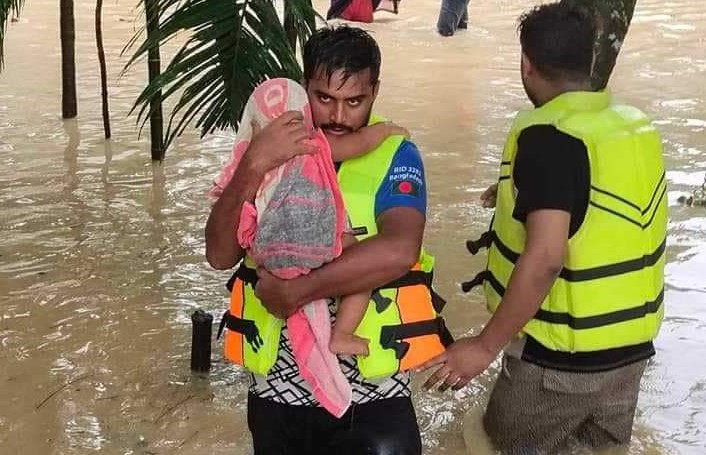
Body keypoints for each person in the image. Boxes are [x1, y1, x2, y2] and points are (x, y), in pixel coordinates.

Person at [419, 3, 667, 454]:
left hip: (559, 363)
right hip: (629, 354)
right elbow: (601, 208)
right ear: (589, 61)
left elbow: (547, 256)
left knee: (491, 444)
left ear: (526, 65)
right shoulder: (631, 127)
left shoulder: (548, 137)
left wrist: (485, 346)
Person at [206, 25, 450, 455]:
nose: (339, 116)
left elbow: (399, 250)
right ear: (304, 89)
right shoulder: (267, 147)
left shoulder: (395, 153)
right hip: (278, 387)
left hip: (372, 390)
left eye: (354, 101)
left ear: (375, 91)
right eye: (324, 99)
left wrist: (297, 290)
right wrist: (256, 162)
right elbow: (220, 253)